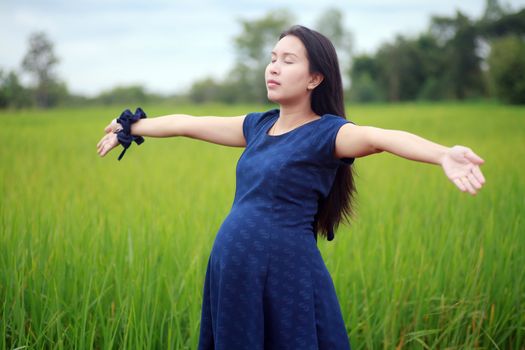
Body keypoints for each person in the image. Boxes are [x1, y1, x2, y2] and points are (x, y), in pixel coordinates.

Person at [96, 25, 485, 350]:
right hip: (233, 266)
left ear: (315, 78)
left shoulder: (328, 133)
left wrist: (442, 154)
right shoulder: (258, 126)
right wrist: (130, 128)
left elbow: (381, 136)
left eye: (288, 60)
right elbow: (189, 122)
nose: (274, 68)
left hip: (284, 268)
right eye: (272, 58)